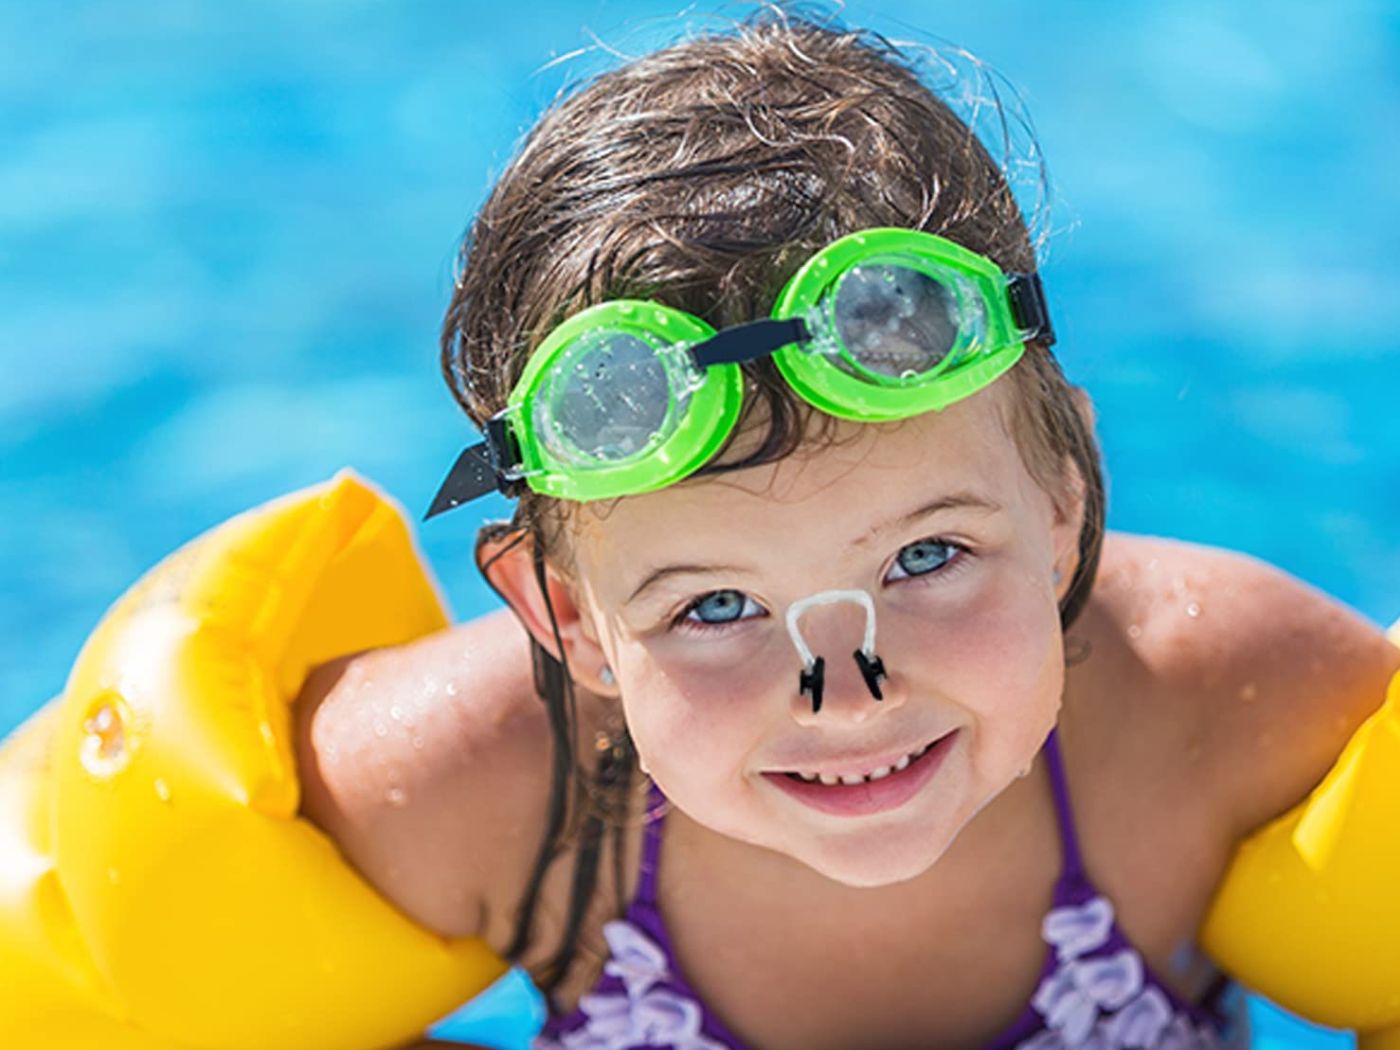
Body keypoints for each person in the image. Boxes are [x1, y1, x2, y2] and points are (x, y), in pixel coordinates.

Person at [292, 13, 1399, 1050]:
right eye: (713, 607)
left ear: (1062, 500)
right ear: (566, 616)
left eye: (926, 557)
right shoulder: (472, 796)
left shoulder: (1224, 710)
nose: (846, 689)